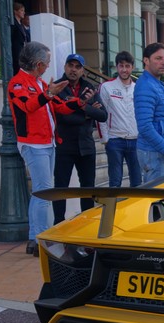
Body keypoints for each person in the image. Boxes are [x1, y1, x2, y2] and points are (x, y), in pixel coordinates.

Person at [7, 42, 92, 256]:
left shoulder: (38, 82)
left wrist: (79, 102)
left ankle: (36, 238)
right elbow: (28, 106)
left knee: (42, 191)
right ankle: (40, 239)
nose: (47, 67)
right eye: (46, 63)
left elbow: (58, 107)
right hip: (34, 144)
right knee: (43, 192)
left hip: (47, 142)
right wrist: (49, 93)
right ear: (37, 64)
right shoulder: (18, 84)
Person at [53, 54, 108, 224]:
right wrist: (87, 110)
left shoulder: (89, 86)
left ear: (82, 70)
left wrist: (81, 107)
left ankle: (86, 224)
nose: (73, 69)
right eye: (71, 65)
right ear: (65, 67)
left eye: (77, 66)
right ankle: (59, 223)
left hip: (86, 146)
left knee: (87, 189)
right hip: (64, 145)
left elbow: (103, 115)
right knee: (61, 188)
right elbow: (62, 117)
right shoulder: (57, 87)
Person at [98, 51, 142, 187]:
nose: (124, 69)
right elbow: (101, 115)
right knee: (115, 181)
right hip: (115, 140)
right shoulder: (106, 87)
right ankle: (114, 208)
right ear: (116, 67)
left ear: (132, 67)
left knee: (137, 181)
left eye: (127, 66)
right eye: (121, 66)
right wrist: (105, 139)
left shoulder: (138, 88)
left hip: (135, 140)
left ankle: (135, 208)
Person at [134, 42, 164, 182]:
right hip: (154, 152)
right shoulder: (146, 86)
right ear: (146, 60)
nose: (163, 62)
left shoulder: (155, 84)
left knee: (158, 196)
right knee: (154, 197)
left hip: (157, 151)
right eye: (158, 58)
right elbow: (145, 126)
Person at [11, 2, 30, 75]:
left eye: (24, 11)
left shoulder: (22, 25)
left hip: (24, 53)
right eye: (21, 10)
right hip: (16, 53)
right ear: (15, 11)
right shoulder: (13, 23)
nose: (24, 13)